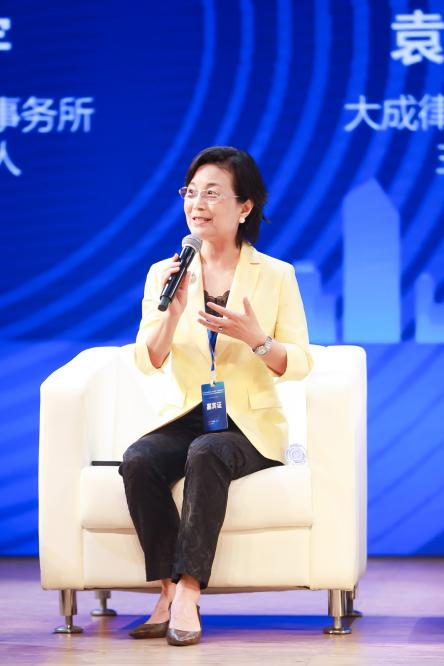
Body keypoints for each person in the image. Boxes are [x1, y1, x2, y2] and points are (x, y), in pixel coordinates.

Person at [119, 146, 313, 646]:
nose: (197, 204)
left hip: (248, 422)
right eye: (191, 192)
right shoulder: (165, 273)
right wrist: (170, 315)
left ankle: (189, 591)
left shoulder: (276, 275)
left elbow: (299, 362)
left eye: (212, 193)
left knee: (208, 451)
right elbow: (148, 359)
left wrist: (257, 339)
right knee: (139, 459)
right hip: (189, 412)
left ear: (244, 206)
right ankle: (166, 589)